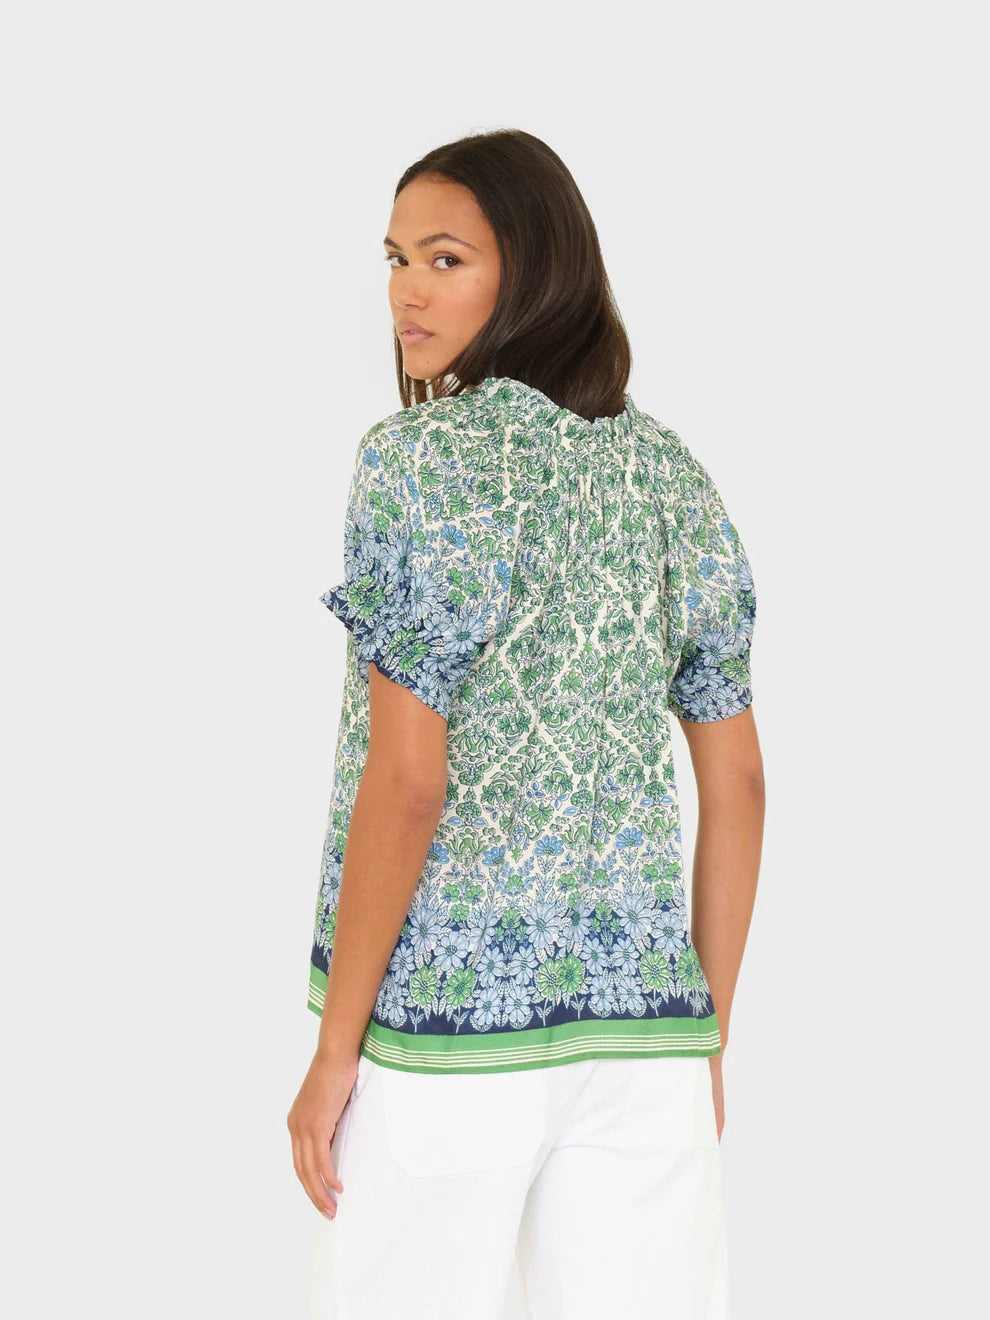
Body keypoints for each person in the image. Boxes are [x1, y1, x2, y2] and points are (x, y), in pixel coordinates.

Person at [287, 128, 765, 1320]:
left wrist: (337, 1051)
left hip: (448, 1031)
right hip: (645, 1043)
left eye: (445, 259)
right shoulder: (671, 473)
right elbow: (740, 782)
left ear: (536, 268)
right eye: (396, 258)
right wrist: (700, 1033)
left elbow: (409, 784)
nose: (407, 291)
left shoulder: (418, 464)